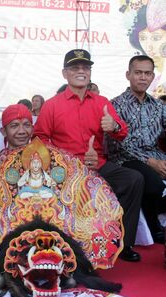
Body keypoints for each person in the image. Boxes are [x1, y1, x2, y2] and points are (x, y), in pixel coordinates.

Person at [0, 103, 124, 281]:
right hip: (7, 216)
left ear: (32, 129)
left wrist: (88, 167)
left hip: (47, 215)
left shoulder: (49, 156)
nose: (21, 131)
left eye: (26, 125)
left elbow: (70, 180)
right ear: (3, 131)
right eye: (14, 126)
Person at [33, 49, 144, 262]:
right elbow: (39, 140)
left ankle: (124, 243)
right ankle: (72, 241)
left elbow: (122, 132)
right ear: (65, 73)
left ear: (90, 72)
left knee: (134, 179)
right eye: (75, 67)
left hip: (98, 165)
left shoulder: (101, 102)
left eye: (85, 67)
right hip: (65, 170)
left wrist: (113, 125)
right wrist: (65, 161)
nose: (81, 71)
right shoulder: (52, 105)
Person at [109, 55, 166, 243]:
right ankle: (153, 224)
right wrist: (150, 162)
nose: (143, 77)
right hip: (125, 158)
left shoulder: (158, 106)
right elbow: (117, 144)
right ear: (128, 75)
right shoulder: (116, 104)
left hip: (156, 156)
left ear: (152, 77)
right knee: (153, 182)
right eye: (138, 73)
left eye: (147, 73)